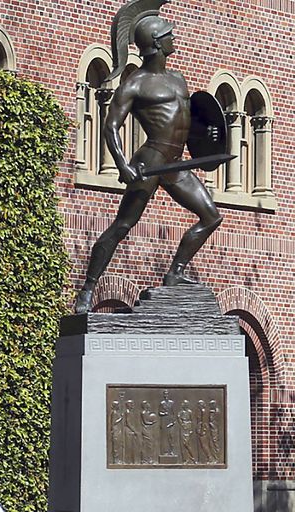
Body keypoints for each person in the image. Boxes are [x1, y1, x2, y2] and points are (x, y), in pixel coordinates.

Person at [71, 11, 223, 314]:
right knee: (124, 224)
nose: (173, 38)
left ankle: (175, 273)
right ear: (155, 42)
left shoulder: (178, 78)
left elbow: (190, 120)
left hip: (176, 165)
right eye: (168, 35)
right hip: (149, 161)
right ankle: (87, 290)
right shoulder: (136, 84)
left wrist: (211, 133)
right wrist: (122, 164)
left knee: (211, 216)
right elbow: (110, 126)